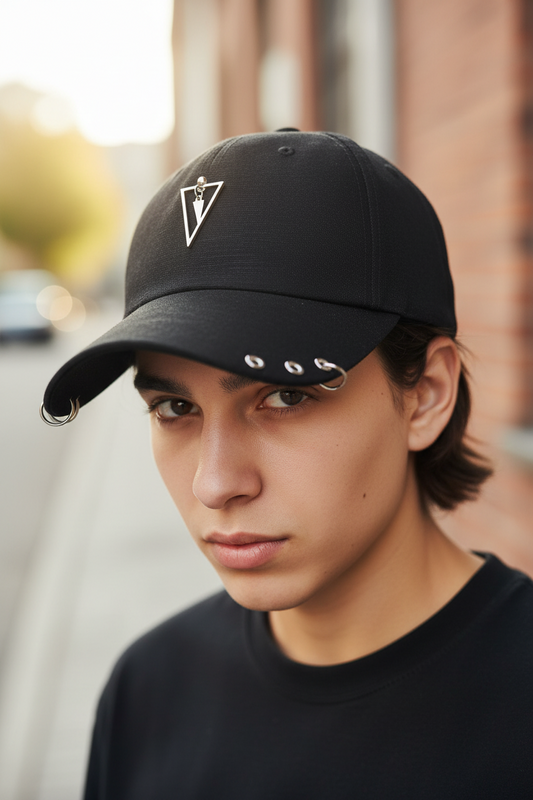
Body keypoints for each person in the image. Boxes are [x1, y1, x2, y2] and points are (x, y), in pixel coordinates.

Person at [41, 131, 533, 799]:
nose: (214, 484)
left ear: (425, 394)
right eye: (173, 408)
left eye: (285, 395)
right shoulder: (148, 691)